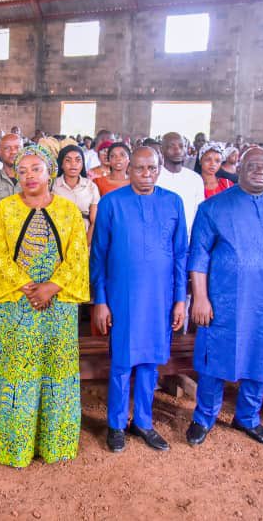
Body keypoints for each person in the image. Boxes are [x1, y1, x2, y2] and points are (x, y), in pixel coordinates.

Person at [185, 147, 263, 447]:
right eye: (252, 165)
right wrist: (200, 298)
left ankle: (248, 418)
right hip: (224, 302)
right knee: (215, 358)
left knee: (262, 358)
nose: (259, 170)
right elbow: (198, 256)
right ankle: (204, 418)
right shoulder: (213, 207)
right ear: (238, 168)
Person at [0, 144, 89, 468]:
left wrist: (51, 287)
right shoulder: (5, 209)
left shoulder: (69, 212)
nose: (30, 176)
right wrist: (30, 287)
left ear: (50, 172)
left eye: (37, 169)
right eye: (23, 170)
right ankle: (16, 449)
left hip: (59, 306)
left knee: (57, 373)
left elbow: (77, 255)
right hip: (16, 304)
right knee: (17, 374)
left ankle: (56, 446)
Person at [90, 147, 187, 453]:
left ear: (159, 170)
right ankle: (117, 424)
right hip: (123, 297)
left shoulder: (173, 202)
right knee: (122, 362)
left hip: (160, 298)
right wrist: (101, 300)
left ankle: (143, 422)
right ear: (128, 169)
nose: (147, 175)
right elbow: (98, 256)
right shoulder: (111, 203)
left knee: (151, 362)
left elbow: (181, 254)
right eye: (141, 168)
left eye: (152, 169)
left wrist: (180, 300)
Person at [156, 132, 205, 238]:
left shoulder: (195, 179)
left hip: (186, 241)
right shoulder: (154, 177)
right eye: (171, 146)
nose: (177, 150)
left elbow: (199, 215)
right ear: (161, 149)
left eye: (181, 146)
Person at [52, 144, 100, 243]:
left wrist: (86, 244)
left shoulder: (91, 186)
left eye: (78, 160)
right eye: (68, 160)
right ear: (61, 164)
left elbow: (94, 221)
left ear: (82, 164)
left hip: (83, 236)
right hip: (57, 236)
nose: (73, 164)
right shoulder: (52, 185)